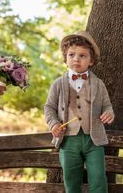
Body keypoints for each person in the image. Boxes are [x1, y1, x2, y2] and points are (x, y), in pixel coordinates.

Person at [44, 31, 115, 193]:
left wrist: (109, 113)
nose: (76, 59)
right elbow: (49, 108)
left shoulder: (99, 84)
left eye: (83, 56)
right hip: (68, 141)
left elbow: (107, 106)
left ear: (91, 61)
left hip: (93, 140)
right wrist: (54, 123)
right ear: (65, 58)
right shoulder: (57, 84)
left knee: (98, 178)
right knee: (71, 180)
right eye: (71, 55)